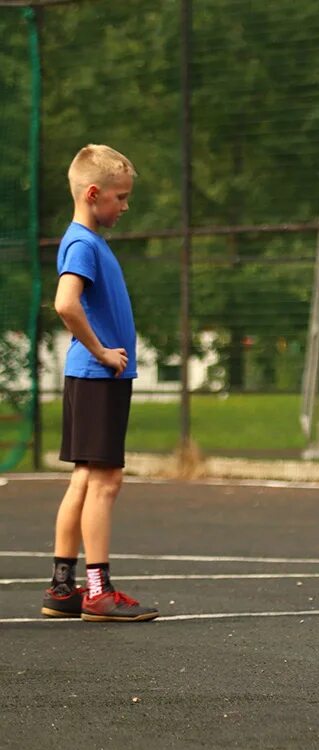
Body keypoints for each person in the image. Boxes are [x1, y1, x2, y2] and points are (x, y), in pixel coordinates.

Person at [41, 144, 158, 622]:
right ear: (93, 194)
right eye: (120, 197)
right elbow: (66, 304)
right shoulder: (84, 243)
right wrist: (103, 352)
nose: (125, 206)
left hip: (92, 378)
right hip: (98, 376)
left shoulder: (85, 240)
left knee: (86, 477)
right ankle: (98, 590)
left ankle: (63, 586)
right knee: (107, 481)